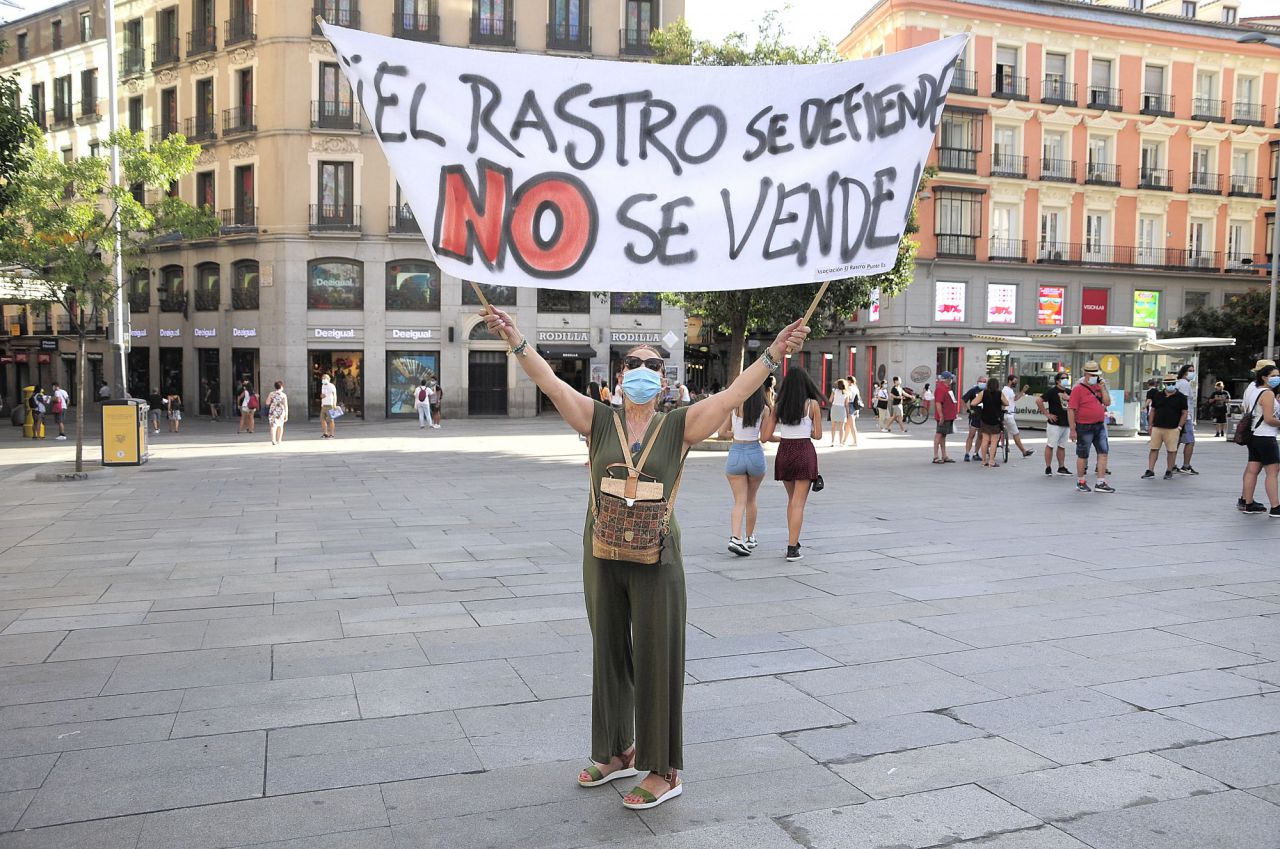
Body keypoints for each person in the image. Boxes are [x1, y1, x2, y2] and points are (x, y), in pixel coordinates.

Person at [480, 302, 809, 811]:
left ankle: (664, 768)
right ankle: (616, 751)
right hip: (602, 549)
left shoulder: (680, 424)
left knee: (658, 655)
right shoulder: (597, 419)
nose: (643, 371)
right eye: (634, 363)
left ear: (665, 380)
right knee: (607, 649)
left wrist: (773, 353)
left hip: (658, 554)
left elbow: (733, 394)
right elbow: (550, 383)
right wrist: (515, 339)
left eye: (654, 366)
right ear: (618, 375)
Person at [762, 367, 822, 562]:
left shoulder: (779, 406)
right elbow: (818, 435)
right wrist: (807, 432)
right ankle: (792, 548)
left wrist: (783, 437)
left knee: (791, 501)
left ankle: (793, 542)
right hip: (804, 451)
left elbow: (765, 437)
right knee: (798, 504)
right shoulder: (812, 405)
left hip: (785, 452)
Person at [720, 385, 769, 556]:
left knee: (739, 501)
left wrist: (734, 432)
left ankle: (735, 537)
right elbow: (764, 437)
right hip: (755, 453)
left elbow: (721, 432)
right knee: (751, 499)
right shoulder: (764, 410)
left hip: (736, 453)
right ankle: (750, 537)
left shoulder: (734, 407)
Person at [1239, 359, 1280, 516]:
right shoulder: (1268, 393)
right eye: (1274, 375)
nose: (1277, 378)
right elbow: (1269, 419)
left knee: (1252, 470)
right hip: (1266, 436)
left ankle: (1248, 503)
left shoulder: (1254, 390)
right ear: (1264, 376)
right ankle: (1275, 507)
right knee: (1272, 471)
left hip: (1254, 436)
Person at [1067, 361, 1116, 493]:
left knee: (1103, 452)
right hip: (1084, 426)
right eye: (1092, 374)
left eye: (1096, 374)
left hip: (1099, 425)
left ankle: (1100, 481)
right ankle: (1081, 481)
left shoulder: (1098, 387)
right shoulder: (1078, 389)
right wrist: (1072, 429)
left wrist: (1102, 388)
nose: (1094, 377)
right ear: (1086, 374)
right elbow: (1071, 409)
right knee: (1083, 454)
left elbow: (1107, 402)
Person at [1143, 375, 1187, 481]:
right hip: (1157, 426)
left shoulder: (1181, 397)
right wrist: (1150, 425)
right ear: (1164, 384)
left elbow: (1184, 413)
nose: (1170, 386)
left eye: (1173, 384)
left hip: (1173, 428)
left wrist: (1180, 427)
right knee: (1154, 448)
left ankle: (1169, 470)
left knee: (1171, 450)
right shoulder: (1158, 395)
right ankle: (1150, 470)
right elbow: (1153, 410)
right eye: (1168, 384)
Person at [1036, 371, 1074, 477]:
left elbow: (1076, 403)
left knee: (1062, 446)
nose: (1065, 379)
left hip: (1066, 422)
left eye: (1067, 377)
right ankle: (1048, 467)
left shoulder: (1069, 392)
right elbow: (1039, 400)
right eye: (1063, 378)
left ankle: (1061, 467)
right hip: (1055, 423)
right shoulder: (1052, 391)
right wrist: (1047, 414)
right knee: (1051, 444)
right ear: (1058, 380)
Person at [970, 377, 1006, 467]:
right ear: (997, 385)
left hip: (985, 419)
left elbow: (973, 403)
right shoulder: (999, 393)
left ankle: (983, 461)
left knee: (985, 440)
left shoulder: (983, 393)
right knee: (994, 441)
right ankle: (991, 461)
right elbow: (1007, 403)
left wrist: (981, 403)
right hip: (996, 419)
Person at [1000, 376, 1035, 458]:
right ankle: (1023, 451)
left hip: (1008, 414)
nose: (1016, 383)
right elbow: (1003, 402)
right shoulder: (1006, 390)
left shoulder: (1010, 390)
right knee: (1016, 433)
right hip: (1007, 414)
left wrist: (1023, 391)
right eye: (1014, 381)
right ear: (1009, 381)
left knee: (1004, 432)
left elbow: (1015, 399)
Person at [1175, 364, 1199, 475]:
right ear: (1184, 372)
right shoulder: (1184, 384)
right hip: (1185, 416)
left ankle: (1172, 465)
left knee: (1176, 442)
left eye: (1193, 371)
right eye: (1190, 371)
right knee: (1190, 441)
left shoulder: (1178, 383)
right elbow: (1183, 401)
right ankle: (1186, 465)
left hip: (1178, 416)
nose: (1192, 373)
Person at [931, 371, 958, 463]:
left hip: (948, 416)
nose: (951, 380)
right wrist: (941, 415)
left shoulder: (947, 388)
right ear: (947, 379)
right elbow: (938, 402)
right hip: (944, 416)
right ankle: (935, 456)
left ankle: (944, 455)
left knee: (943, 435)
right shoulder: (940, 389)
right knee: (939, 434)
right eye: (950, 378)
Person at [961, 375, 987, 461]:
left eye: (984, 382)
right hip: (974, 416)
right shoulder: (973, 390)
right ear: (977, 382)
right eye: (981, 381)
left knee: (980, 436)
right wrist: (968, 410)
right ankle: (967, 453)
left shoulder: (987, 391)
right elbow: (963, 400)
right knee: (971, 435)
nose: (982, 383)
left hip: (984, 416)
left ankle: (976, 453)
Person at [267, 381, 289, 445]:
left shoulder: (271, 394)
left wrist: (273, 402)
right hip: (281, 411)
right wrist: (286, 414)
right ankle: (279, 440)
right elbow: (285, 405)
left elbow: (267, 403)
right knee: (280, 426)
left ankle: (273, 440)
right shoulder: (283, 395)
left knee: (273, 426)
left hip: (273, 411)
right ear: (281, 386)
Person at [828, 379, 848, 447]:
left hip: (834, 408)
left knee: (833, 426)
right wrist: (847, 413)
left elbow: (830, 400)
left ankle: (832, 442)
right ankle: (840, 443)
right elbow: (846, 404)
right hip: (842, 409)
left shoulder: (834, 391)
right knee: (841, 428)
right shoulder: (846, 393)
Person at [844, 376, 861, 447]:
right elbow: (858, 399)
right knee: (848, 425)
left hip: (850, 405)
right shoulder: (856, 388)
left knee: (852, 425)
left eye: (847, 380)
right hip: (854, 406)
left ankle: (855, 441)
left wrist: (846, 407)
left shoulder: (849, 388)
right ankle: (844, 440)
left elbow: (848, 398)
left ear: (849, 381)